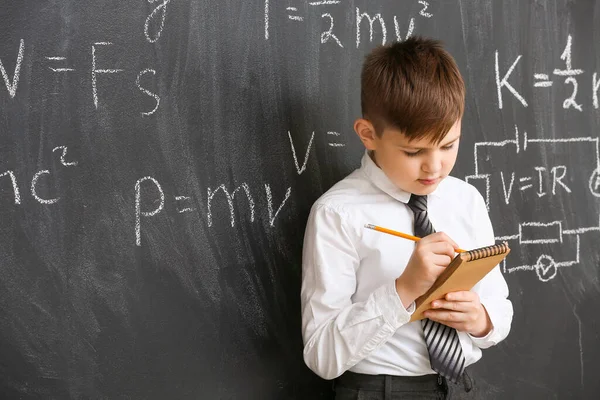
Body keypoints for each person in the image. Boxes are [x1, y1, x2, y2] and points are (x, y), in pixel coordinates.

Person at [300, 36, 513, 399]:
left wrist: (481, 319)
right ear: (369, 135)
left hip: (460, 387)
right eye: (414, 151)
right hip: (378, 390)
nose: (435, 166)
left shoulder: (466, 200)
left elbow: (499, 307)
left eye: (448, 145)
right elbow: (321, 354)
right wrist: (403, 290)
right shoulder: (338, 213)